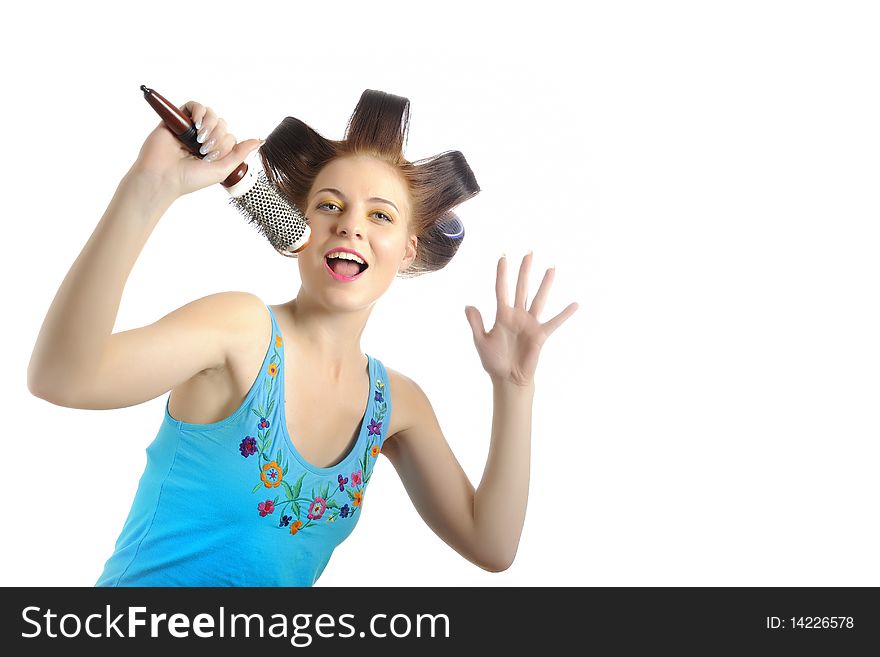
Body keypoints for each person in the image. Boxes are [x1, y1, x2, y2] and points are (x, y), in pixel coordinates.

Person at [27, 89, 579, 586]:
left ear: (408, 250)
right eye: (330, 205)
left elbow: (492, 545)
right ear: (301, 224)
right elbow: (61, 377)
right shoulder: (239, 331)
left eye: (380, 215)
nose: (350, 225)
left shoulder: (395, 405)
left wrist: (514, 386)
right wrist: (147, 187)